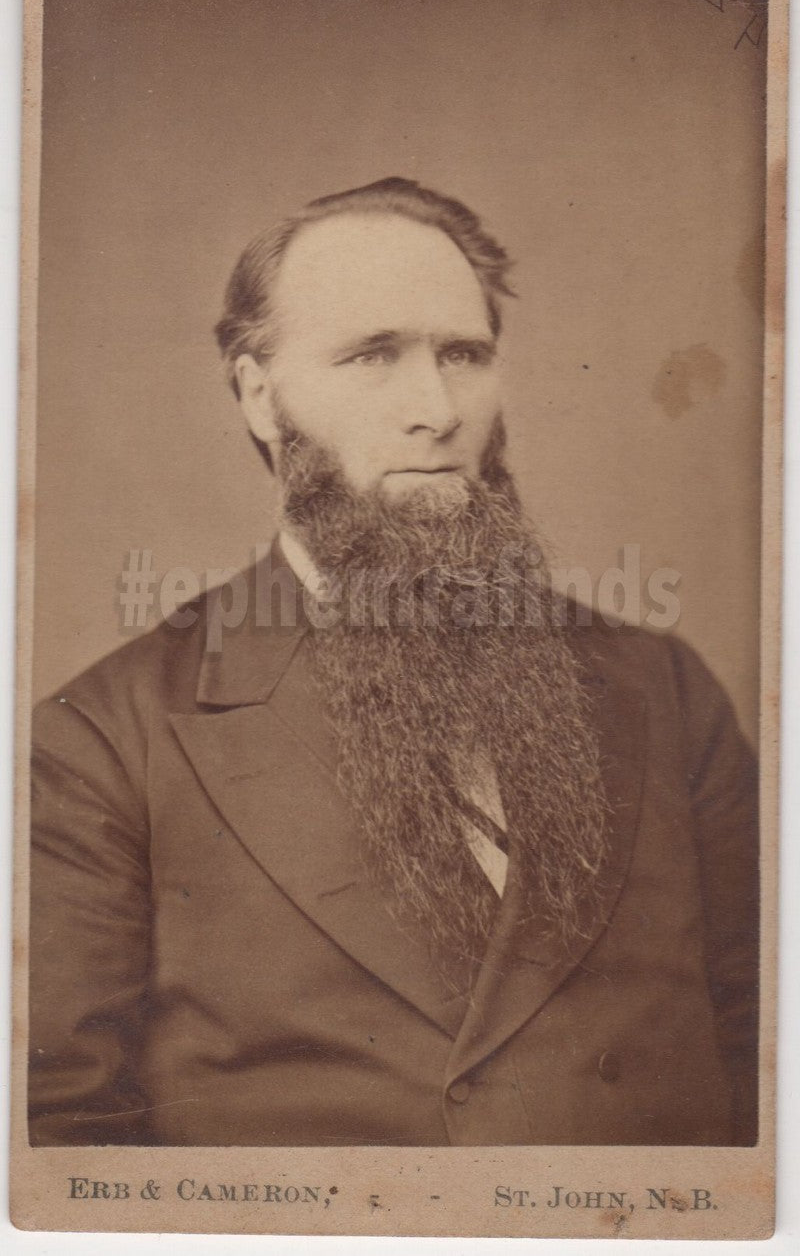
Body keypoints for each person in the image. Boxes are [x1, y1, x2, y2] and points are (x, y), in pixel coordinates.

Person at [28, 177, 759, 1148]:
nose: (436, 408)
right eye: (372, 355)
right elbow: (60, 1143)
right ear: (260, 395)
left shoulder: (663, 689)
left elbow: (769, 1057)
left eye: (463, 354)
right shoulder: (104, 739)